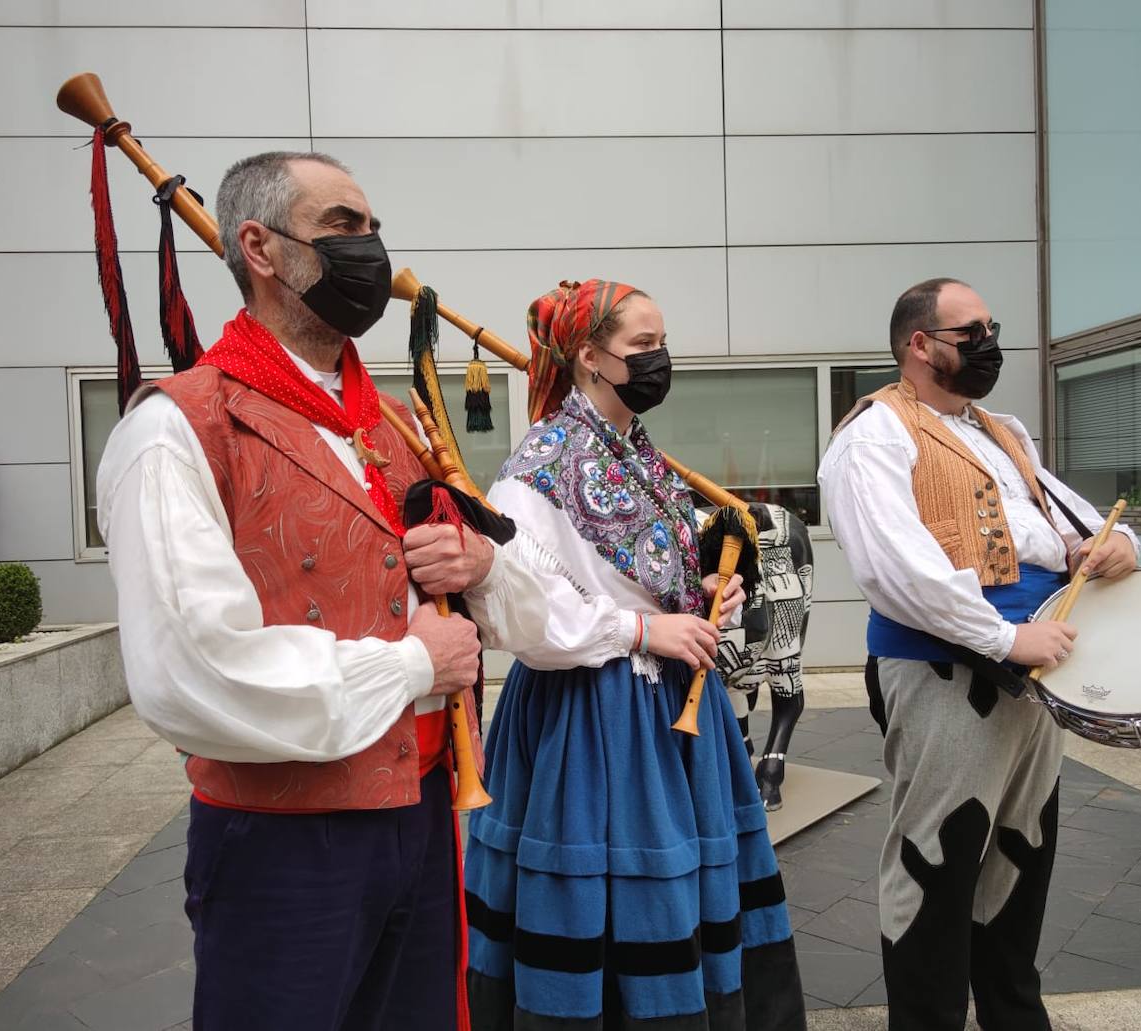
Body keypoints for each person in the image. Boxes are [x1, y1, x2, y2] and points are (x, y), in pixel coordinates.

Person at [97, 151, 560, 1030]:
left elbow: (522, 611)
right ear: (260, 250)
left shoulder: (388, 422)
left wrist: (483, 566)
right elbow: (192, 673)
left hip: (425, 815)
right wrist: (412, 666)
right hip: (282, 845)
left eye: (374, 228)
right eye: (343, 227)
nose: (371, 249)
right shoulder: (177, 428)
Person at [460, 279, 806, 1030]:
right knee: (617, 897)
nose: (660, 358)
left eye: (661, 341)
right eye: (642, 345)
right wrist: (644, 632)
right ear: (589, 355)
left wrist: (706, 591)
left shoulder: (639, 453)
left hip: (676, 708)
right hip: (591, 719)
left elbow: (650, 579)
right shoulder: (540, 464)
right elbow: (519, 608)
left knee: (686, 891)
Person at [818, 278, 1140, 1030]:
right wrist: (1003, 636)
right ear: (919, 345)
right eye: (972, 332)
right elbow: (898, 571)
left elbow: (1067, 522)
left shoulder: (1001, 431)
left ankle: (1013, 1016)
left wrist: (1112, 543)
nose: (989, 343)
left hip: (1036, 665)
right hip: (947, 669)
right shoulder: (874, 434)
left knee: (1019, 857)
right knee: (937, 858)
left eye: (991, 327)